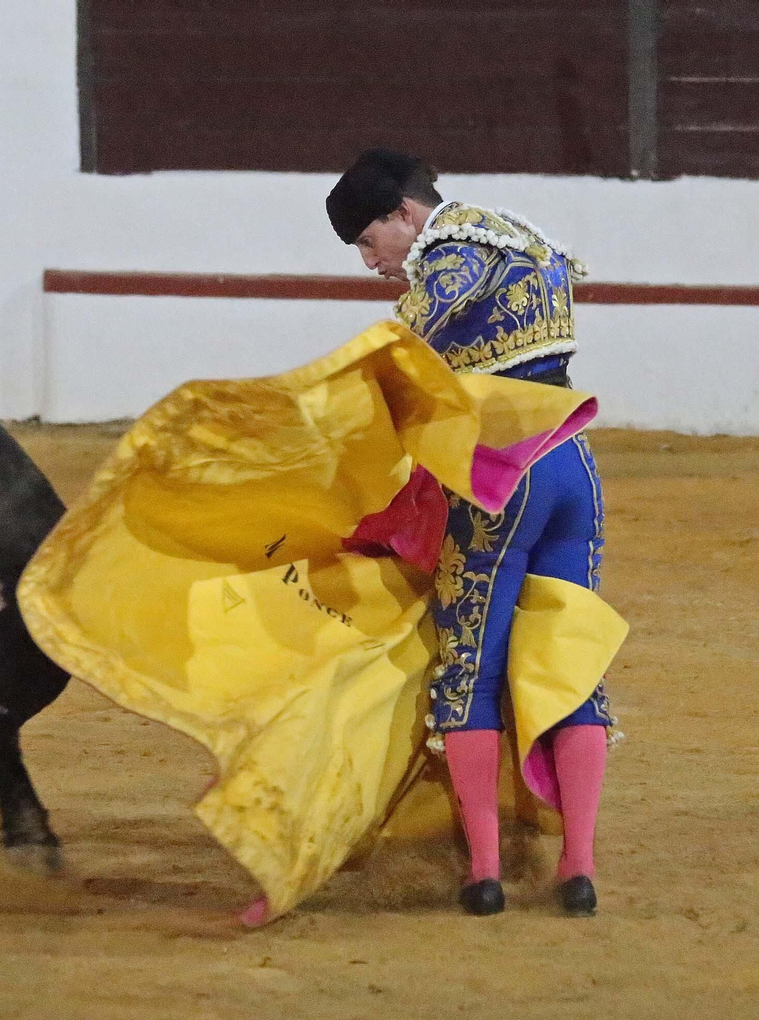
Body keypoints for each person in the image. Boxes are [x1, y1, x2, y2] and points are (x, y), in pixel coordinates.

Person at [325, 148, 615, 917]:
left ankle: (484, 874)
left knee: (473, 672)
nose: (370, 263)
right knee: (568, 657)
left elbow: (403, 353)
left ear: (403, 215)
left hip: (502, 481)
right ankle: (578, 868)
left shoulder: (449, 258)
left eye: (368, 241)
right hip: (574, 467)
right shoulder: (526, 239)